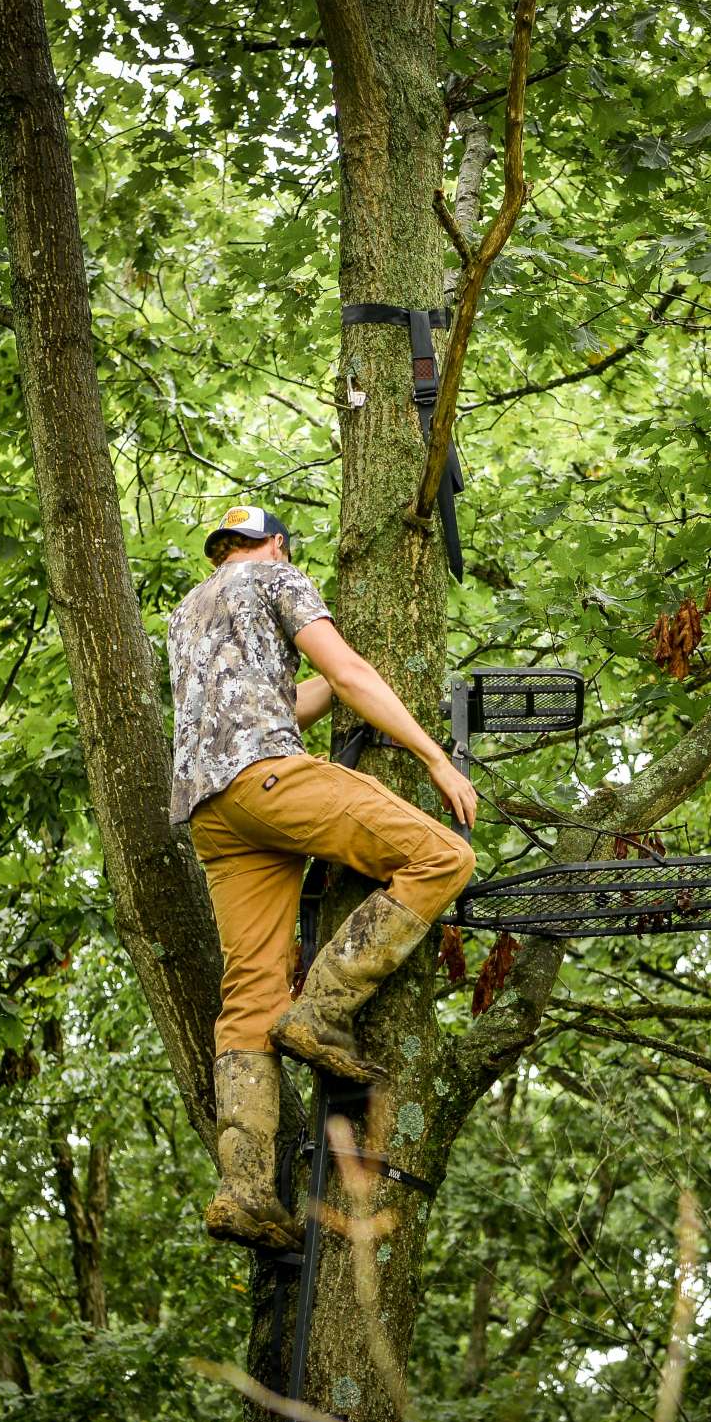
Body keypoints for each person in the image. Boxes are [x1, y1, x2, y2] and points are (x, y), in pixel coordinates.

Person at [167, 504, 479, 1249]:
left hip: (212, 811)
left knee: (247, 999)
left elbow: (281, 701)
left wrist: (335, 694)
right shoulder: (278, 575)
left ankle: (244, 1190)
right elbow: (345, 668)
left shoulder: (188, 612)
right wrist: (434, 756)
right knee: (443, 856)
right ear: (272, 544)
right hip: (269, 780)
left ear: (223, 550)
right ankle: (323, 1007)